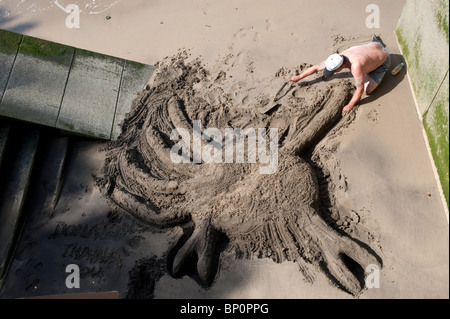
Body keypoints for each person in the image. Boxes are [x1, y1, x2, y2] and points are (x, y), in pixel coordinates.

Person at [289, 36, 391, 116]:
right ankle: (371, 56)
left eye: (334, 71)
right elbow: (316, 67)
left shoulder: (355, 67)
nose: (333, 73)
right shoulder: (339, 57)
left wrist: (349, 106)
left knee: (367, 90)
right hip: (374, 45)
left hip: (384, 60)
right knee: (363, 60)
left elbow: (359, 89)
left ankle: (374, 67)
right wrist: (298, 77)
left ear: (340, 67)